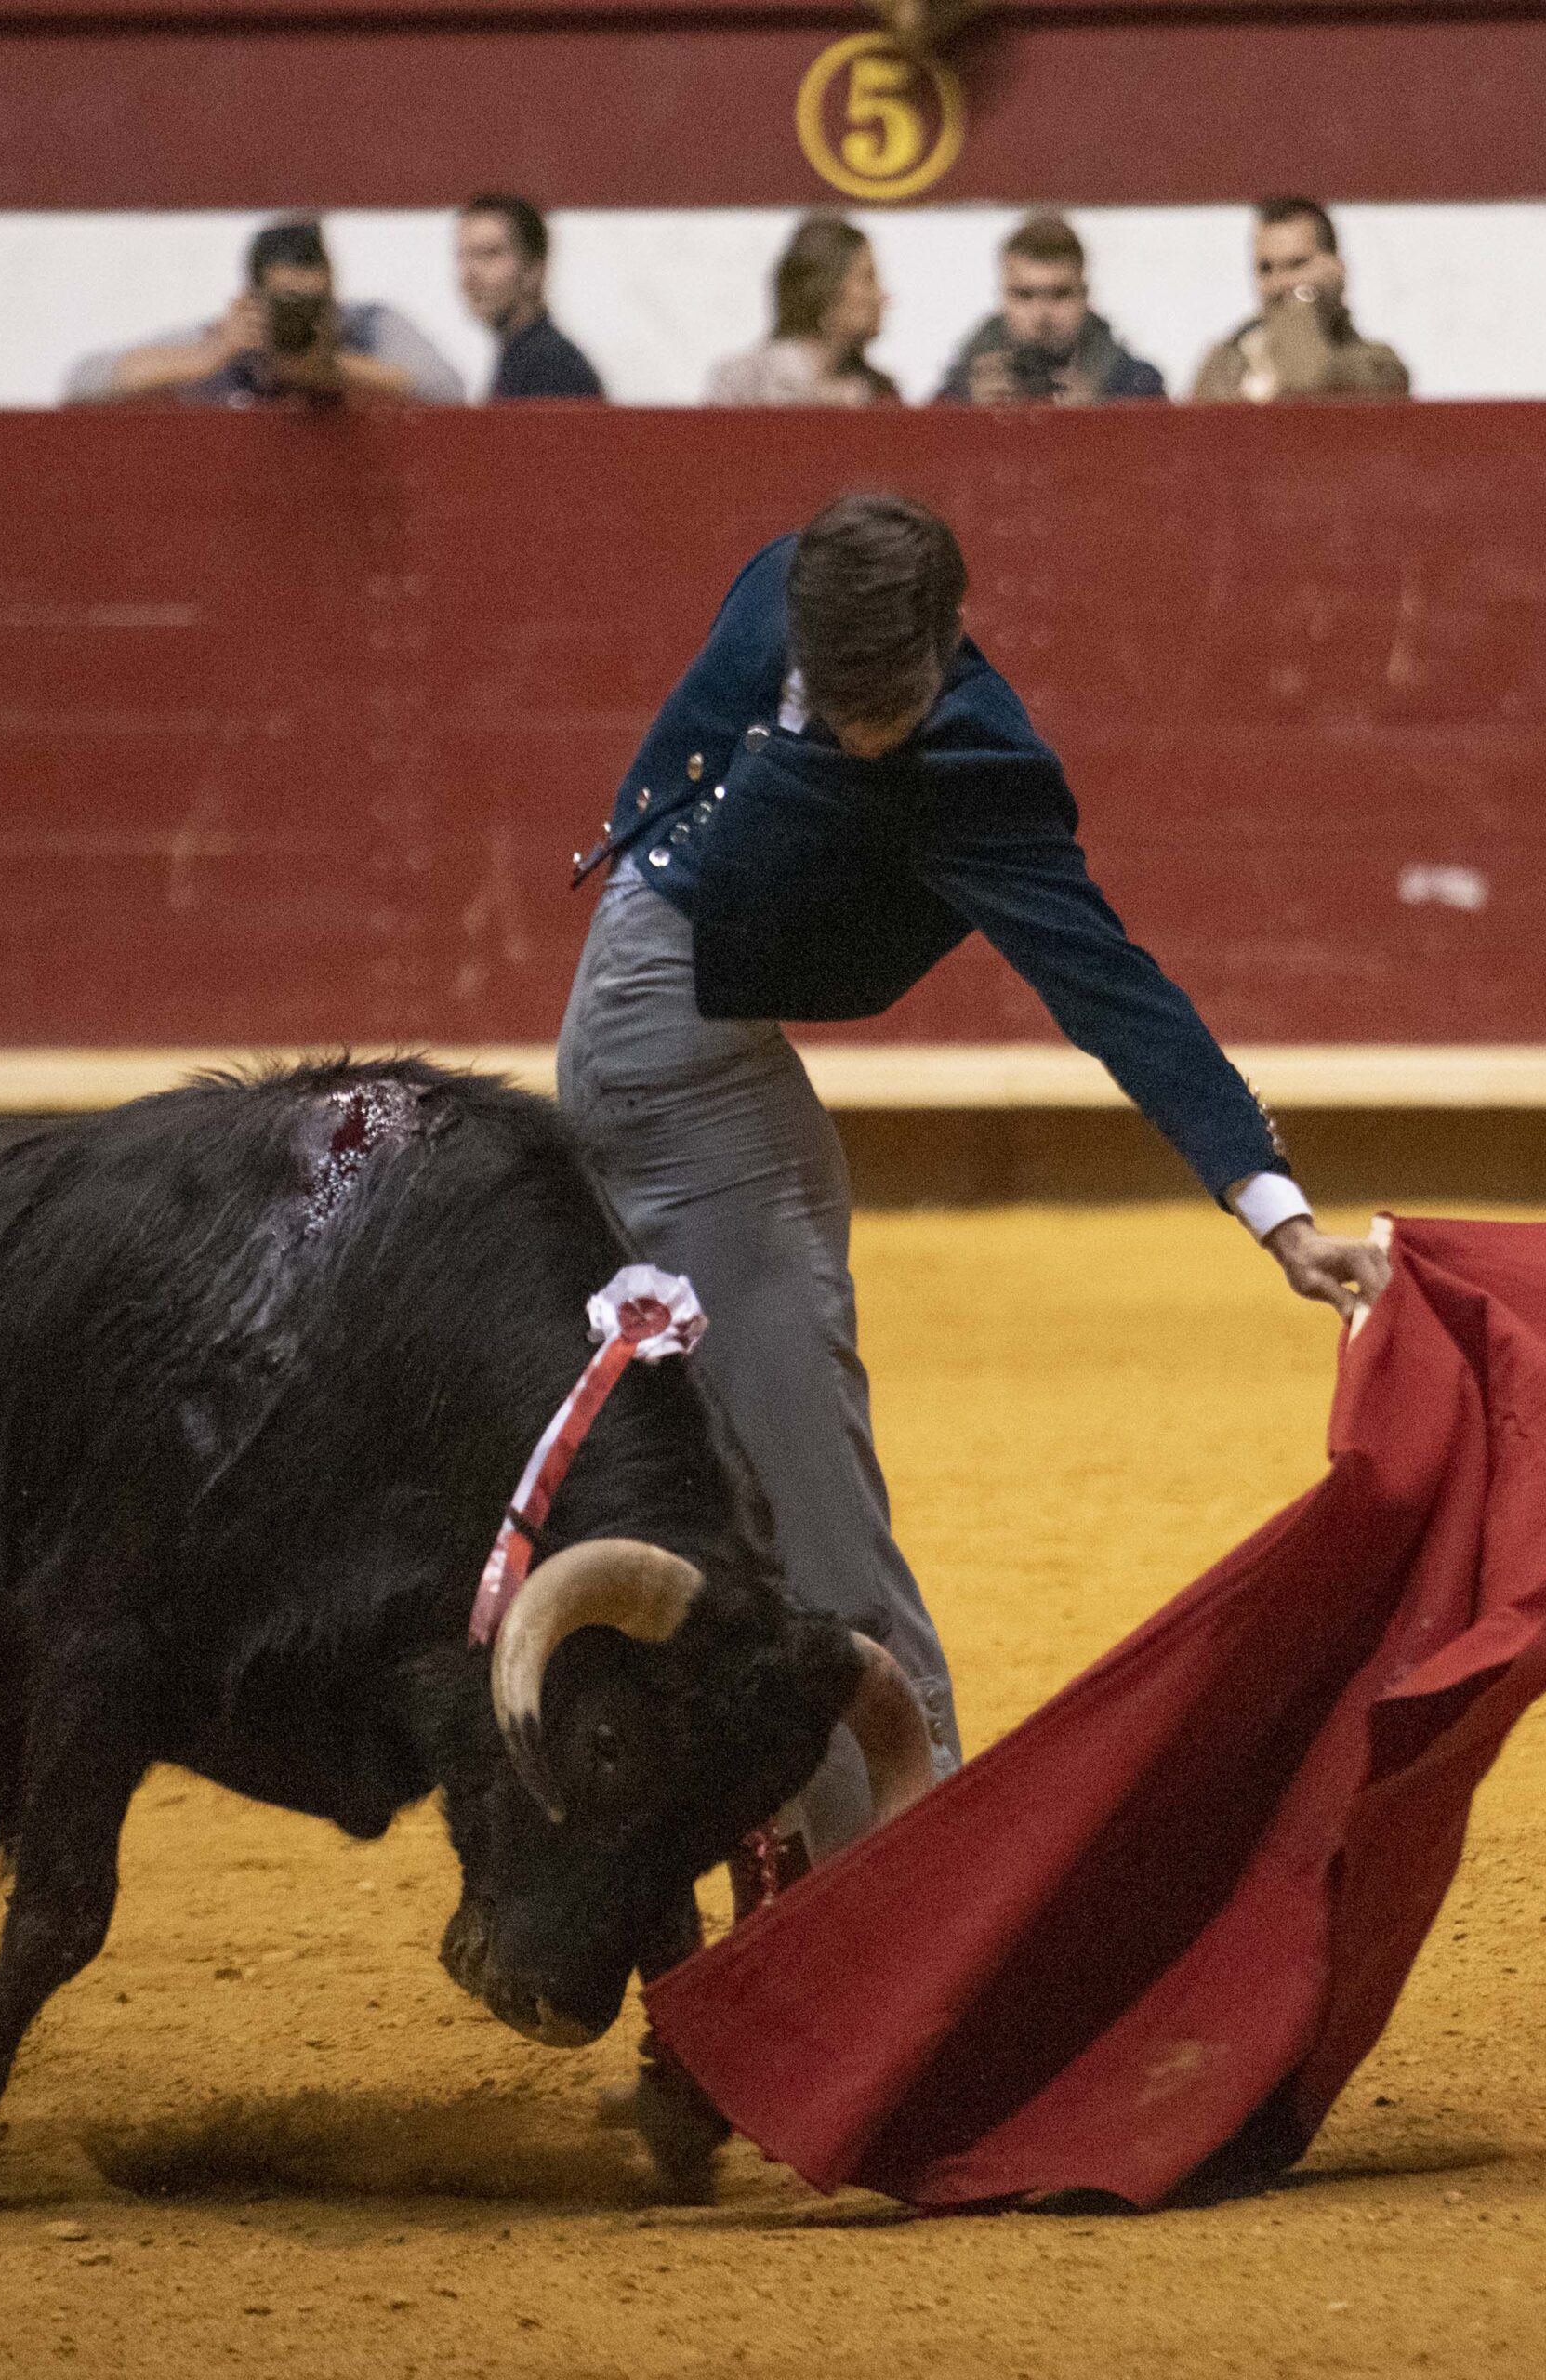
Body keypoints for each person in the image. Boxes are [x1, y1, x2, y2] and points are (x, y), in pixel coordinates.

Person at [556, 493, 1389, 1864]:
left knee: (758, 1455)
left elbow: (1109, 985)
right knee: (811, 1492)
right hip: (665, 1052)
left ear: (945, 648)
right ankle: (895, 1863)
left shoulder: (971, 761)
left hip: (690, 1040)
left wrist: (1275, 1210)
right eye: (830, 698)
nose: (844, 731)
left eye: (876, 709)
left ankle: (804, 1821)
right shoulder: (788, 588)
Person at [64, 216, 464, 409]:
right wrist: (207, 356)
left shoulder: (367, 327)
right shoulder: (231, 343)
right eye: (285, 304)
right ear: (253, 302)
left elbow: (447, 391)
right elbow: (83, 384)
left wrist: (333, 367)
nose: (299, 317)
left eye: (312, 304)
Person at [932, 212, 1167, 407]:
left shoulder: (1136, 390)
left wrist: (1101, 423)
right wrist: (970, 420)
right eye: (1024, 295)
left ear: (1084, 296)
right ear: (1004, 297)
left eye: (1059, 294)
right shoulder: (962, 391)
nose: (1041, 315)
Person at [1191, 198, 1409, 403]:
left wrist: (1300, 302)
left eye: (1296, 265)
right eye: (1266, 269)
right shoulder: (1225, 363)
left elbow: (1307, 384)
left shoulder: (1378, 366)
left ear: (1334, 270)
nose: (1276, 284)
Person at [703, 217, 900, 408]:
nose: (882, 297)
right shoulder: (741, 383)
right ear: (824, 288)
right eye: (867, 278)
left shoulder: (879, 392)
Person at [456, 193, 605, 402]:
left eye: (489, 254)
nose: (469, 276)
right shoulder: (521, 358)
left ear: (533, 269)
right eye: (464, 256)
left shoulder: (552, 368)